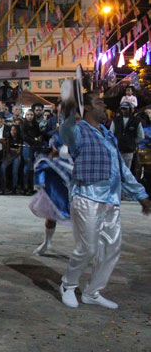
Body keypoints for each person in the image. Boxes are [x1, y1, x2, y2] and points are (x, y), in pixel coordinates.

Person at [58, 91, 151, 309]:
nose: (104, 106)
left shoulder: (108, 135)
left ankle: (92, 292)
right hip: (87, 197)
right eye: (99, 102)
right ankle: (68, 285)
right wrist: (71, 109)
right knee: (88, 248)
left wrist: (141, 195)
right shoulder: (79, 131)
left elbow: (120, 169)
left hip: (111, 199)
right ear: (87, 108)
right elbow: (66, 131)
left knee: (112, 249)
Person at [29, 132, 73, 256]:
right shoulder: (59, 137)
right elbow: (52, 155)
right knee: (51, 212)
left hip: (79, 179)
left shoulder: (87, 136)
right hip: (60, 179)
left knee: (82, 216)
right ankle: (47, 242)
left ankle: (85, 247)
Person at [108, 102, 143, 170]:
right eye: (122, 109)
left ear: (130, 109)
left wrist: (132, 143)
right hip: (117, 150)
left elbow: (140, 136)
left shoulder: (136, 121)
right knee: (116, 170)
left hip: (128, 151)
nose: (124, 111)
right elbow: (111, 134)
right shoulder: (115, 120)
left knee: (127, 170)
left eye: (126, 109)